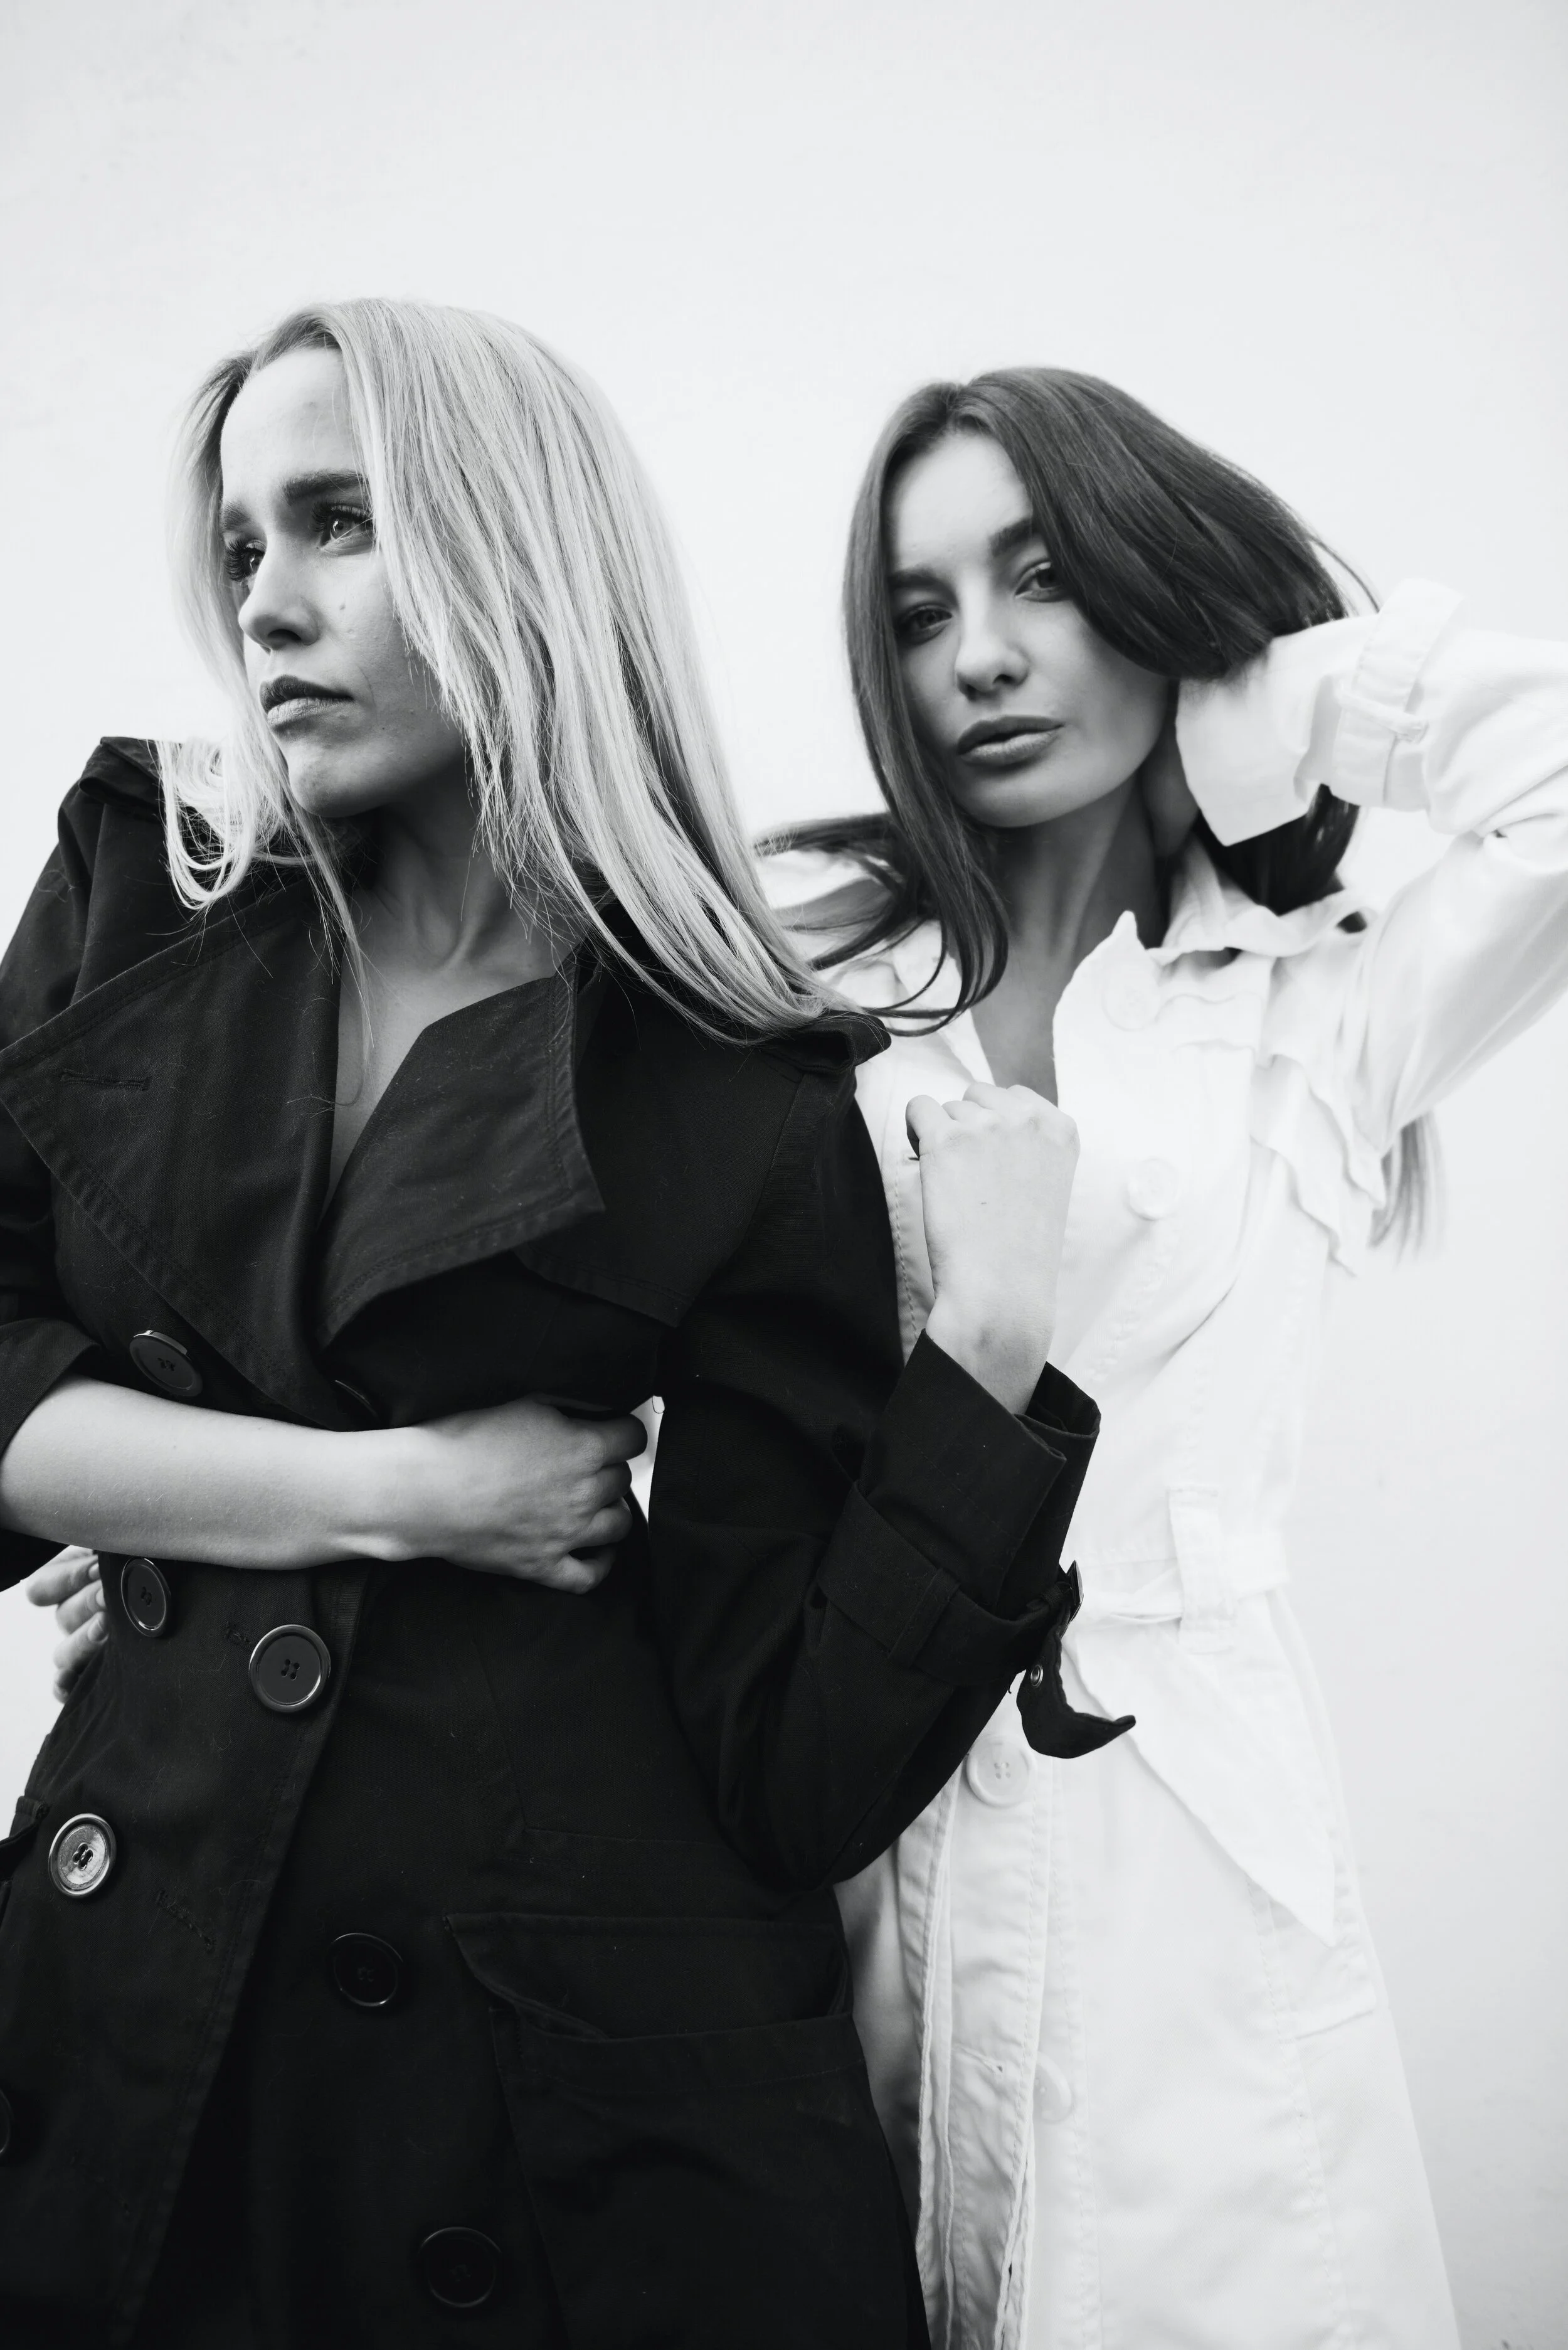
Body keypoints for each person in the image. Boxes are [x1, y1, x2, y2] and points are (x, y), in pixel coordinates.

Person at [0, 306, 1101, 2350]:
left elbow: (794, 1768)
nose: (272, 603)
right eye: (241, 546)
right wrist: (396, 1494)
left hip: (548, 2100)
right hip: (139, 2002)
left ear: (518, 550)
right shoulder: (142, 889)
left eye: (341, 524)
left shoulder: (736, 1076)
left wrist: (993, 1357)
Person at [768, 368, 1568, 2350]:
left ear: (1150, 583)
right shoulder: (805, 996)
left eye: (1044, 577)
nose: (984, 657)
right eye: (922, 610)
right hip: (843, 1807)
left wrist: (1279, 708)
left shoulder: (1326, 1002)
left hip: (1189, 1849)